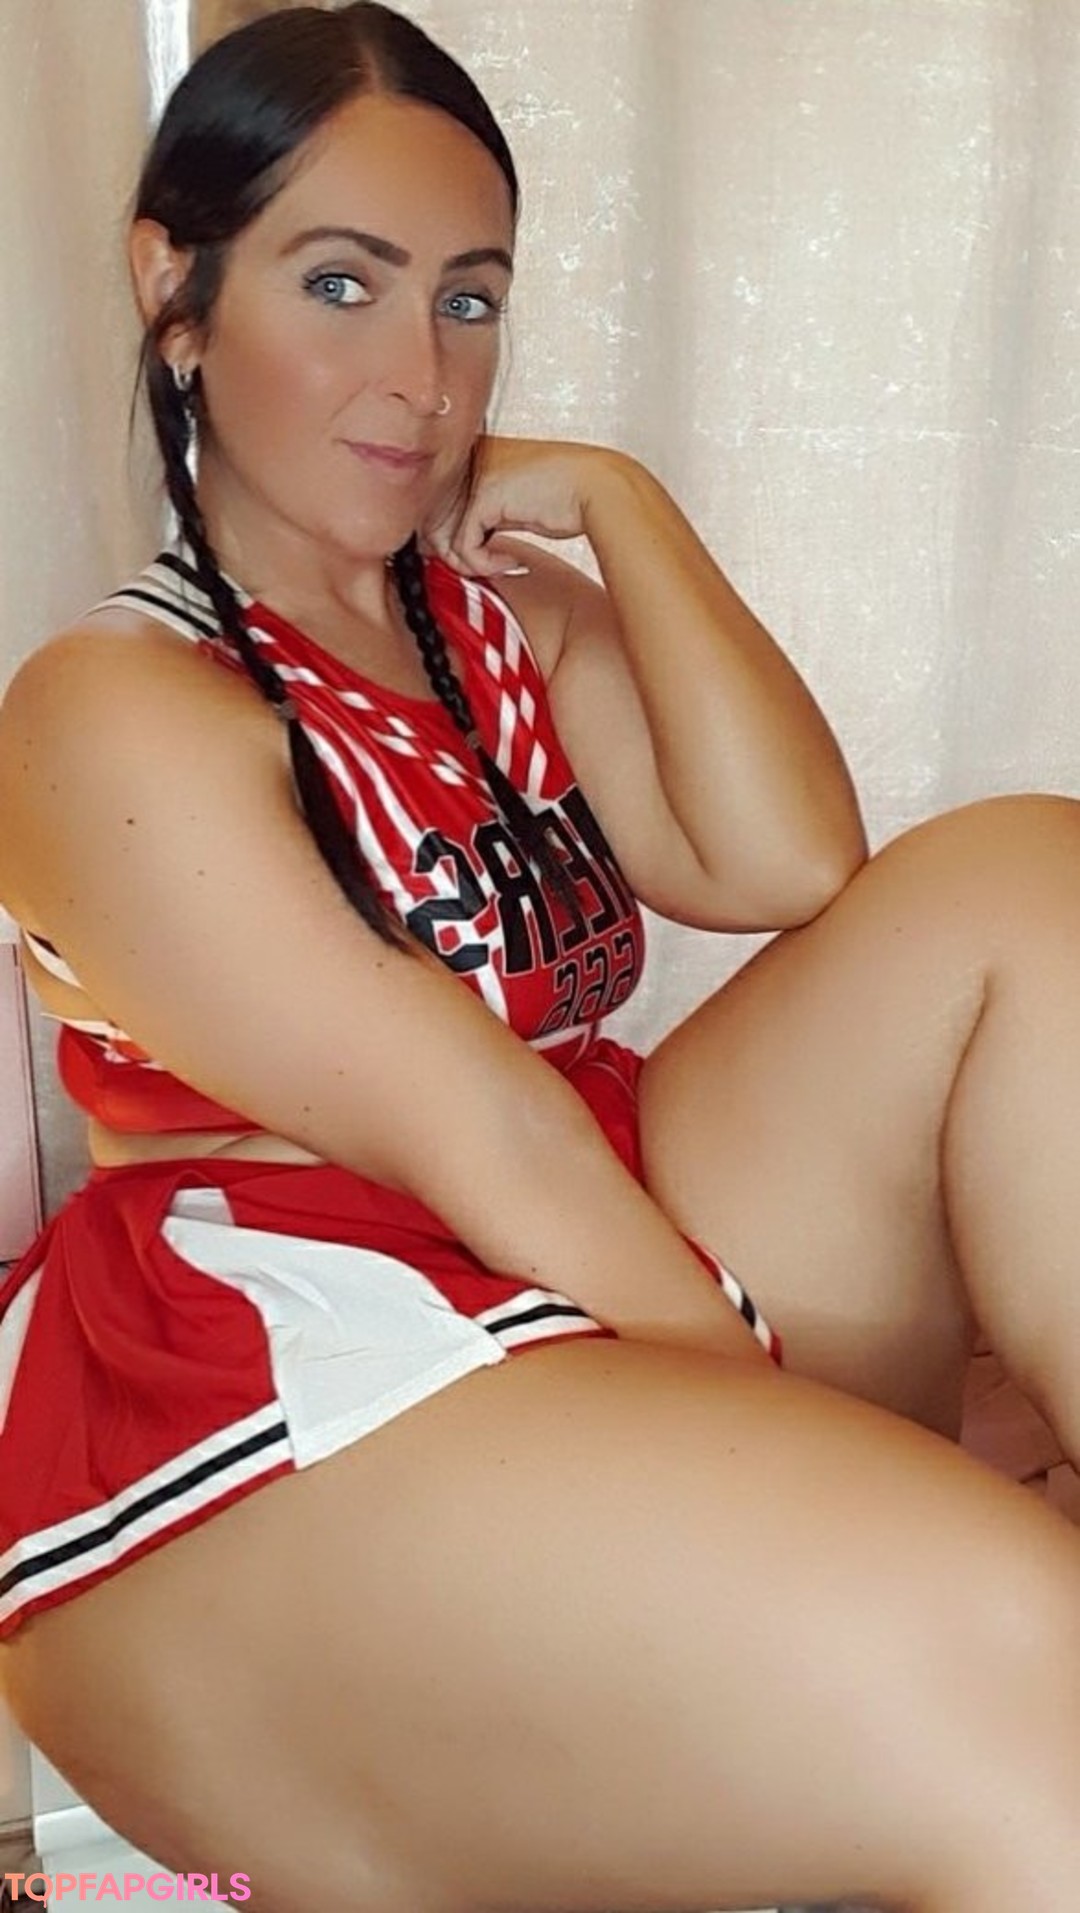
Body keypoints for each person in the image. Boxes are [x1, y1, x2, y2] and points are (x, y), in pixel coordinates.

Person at [0, 6, 1077, 1909]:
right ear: (178, 292)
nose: (421, 375)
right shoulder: (113, 706)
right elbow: (482, 1132)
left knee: (1018, 877)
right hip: (292, 1376)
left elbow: (784, 859)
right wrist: (821, 1444)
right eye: (341, 284)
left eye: (470, 299)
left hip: (576, 1243)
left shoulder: (492, 618)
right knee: (1038, 1668)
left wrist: (623, 508)